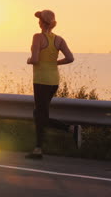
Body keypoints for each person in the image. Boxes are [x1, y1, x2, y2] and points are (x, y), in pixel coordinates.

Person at [26, 9, 81, 159]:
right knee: (39, 114)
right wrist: (55, 62)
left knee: (40, 115)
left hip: (41, 80)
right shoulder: (59, 40)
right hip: (53, 81)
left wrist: (29, 60)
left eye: (39, 19)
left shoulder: (37, 37)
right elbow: (70, 58)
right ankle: (38, 149)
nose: (38, 22)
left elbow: (35, 59)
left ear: (42, 23)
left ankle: (70, 129)